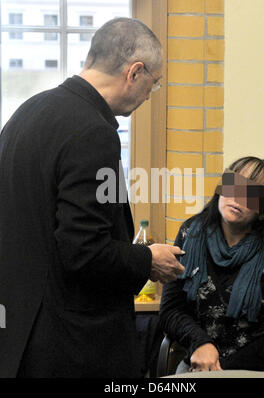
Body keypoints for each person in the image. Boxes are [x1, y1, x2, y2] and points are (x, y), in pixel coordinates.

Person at [0, 17, 185, 378]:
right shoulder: (93, 132)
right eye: (154, 83)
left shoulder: (27, 113)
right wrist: (146, 259)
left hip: (19, 336)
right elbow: (83, 251)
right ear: (135, 72)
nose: (150, 95)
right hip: (69, 346)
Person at [159, 156, 264, 374]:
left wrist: (223, 368)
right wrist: (200, 343)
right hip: (201, 360)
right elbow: (171, 310)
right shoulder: (190, 234)